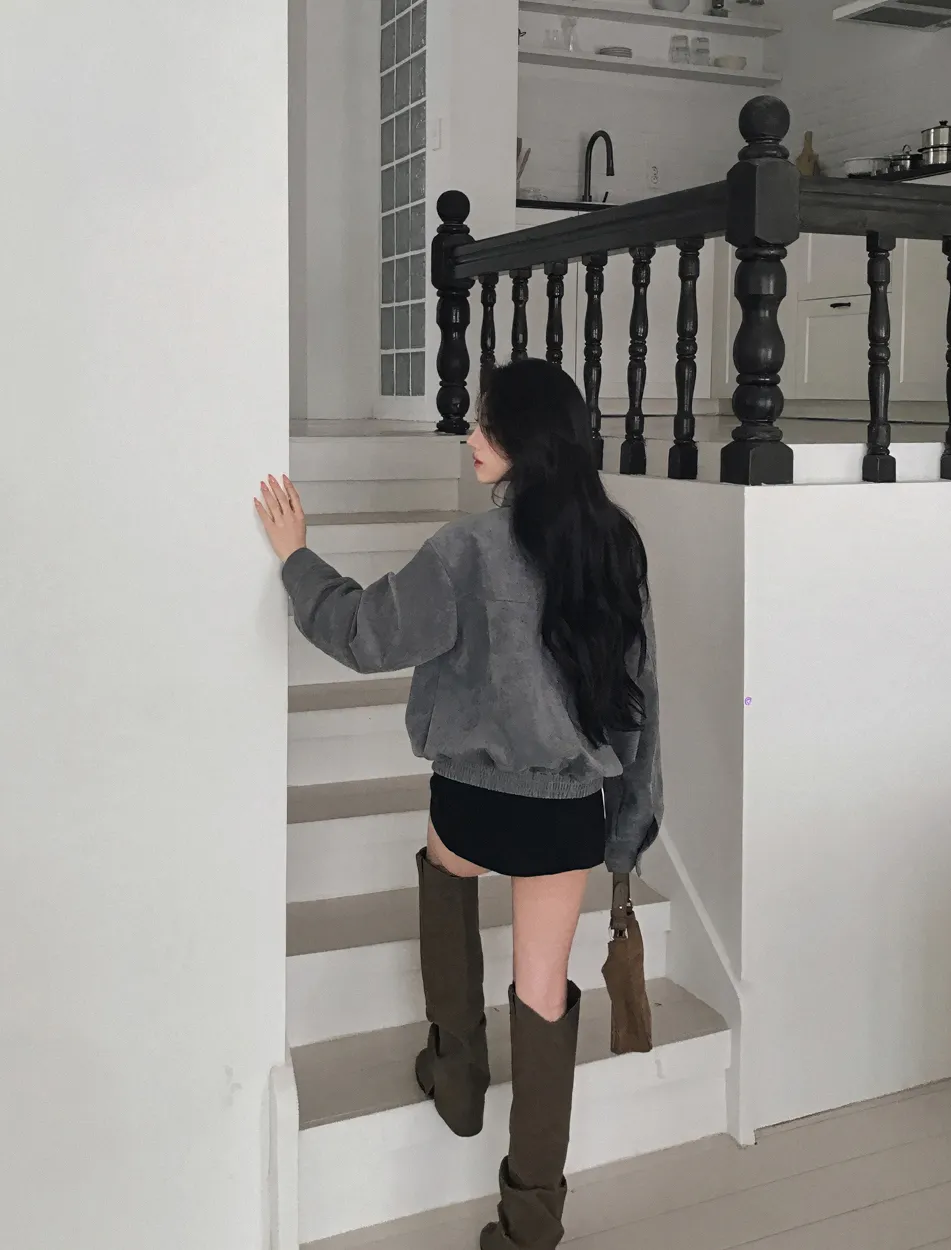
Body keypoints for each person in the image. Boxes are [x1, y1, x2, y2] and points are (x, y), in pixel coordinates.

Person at [256, 357, 662, 1250]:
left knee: (446, 871)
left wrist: (295, 557)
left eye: (486, 425)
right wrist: (630, 822)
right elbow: (638, 699)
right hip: (569, 810)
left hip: (475, 800)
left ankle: (458, 1072)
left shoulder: (466, 551)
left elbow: (363, 634)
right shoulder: (615, 545)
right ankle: (531, 1220)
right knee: (543, 991)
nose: (470, 437)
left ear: (528, 442)